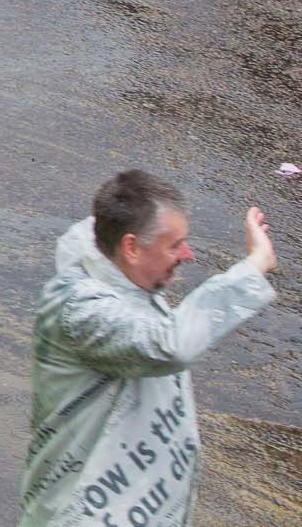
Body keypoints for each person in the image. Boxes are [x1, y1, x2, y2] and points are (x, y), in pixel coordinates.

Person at [18, 170, 278, 527]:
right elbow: (167, 345)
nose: (187, 254)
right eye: (174, 244)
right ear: (131, 247)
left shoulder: (125, 276)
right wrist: (253, 268)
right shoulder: (80, 309)